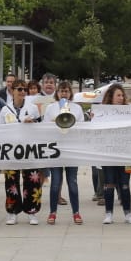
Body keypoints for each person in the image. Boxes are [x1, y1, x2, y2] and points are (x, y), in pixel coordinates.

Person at [0, 81, 43, 225]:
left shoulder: (32, 108)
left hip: (29, 150)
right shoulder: (5, 110)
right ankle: (12, 212)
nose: (23, 92)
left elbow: (41, 127)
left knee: (32, 180)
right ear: (12, 91)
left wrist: (33, 124)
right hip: (11, 151)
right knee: (11, 182)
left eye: (24, 89)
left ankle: (32, 212)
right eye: (19, 89)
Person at [44, 80, 85, 225]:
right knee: (55, 183)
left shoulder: (77, 108)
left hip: (71, 150)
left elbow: (82, 127)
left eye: (67, 91)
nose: (64, 93)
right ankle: (52, 212)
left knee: (72, 183)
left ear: (70, 93)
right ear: (57, 92)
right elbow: (44, 127)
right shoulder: (51, 108)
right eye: (61, 90)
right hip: (56, 149)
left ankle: (76, 212)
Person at [98, 83, 131, 224]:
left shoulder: (129, 111)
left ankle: (128, 214)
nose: (121, 98)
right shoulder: (103, 112)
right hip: (108, 154)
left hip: (125, 154)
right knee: (109, 184)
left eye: (122, 95)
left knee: (125, 185)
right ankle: (109, 214)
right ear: (111, 97)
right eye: (118, 95)